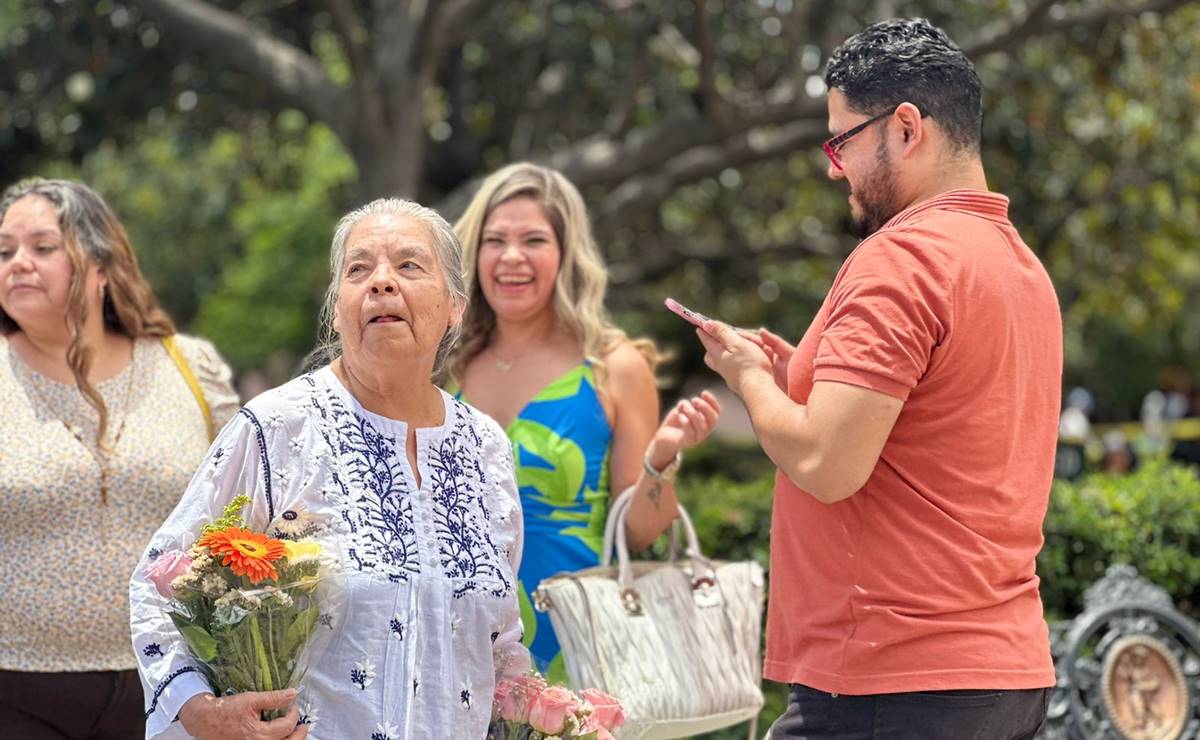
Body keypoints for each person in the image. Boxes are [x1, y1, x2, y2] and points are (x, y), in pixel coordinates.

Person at [694, 19, 1061, 740]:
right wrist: (803, 374)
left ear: (906, 128)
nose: (834, 168)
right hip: (1002, 674)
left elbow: (825, 462)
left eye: (842, 141)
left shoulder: (903, 258)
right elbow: (936, 424)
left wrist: (749, 378)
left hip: (891, 677)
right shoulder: (1019, 266)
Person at [130, 198, 530, 739]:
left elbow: (501, 643)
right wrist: (198, 709)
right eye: (358, 269)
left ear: (455, 306)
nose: (382, 282)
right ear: (337, 309)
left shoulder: (485, 446)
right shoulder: (278, 426)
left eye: (409, 265)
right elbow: (159, 581)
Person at [447, 162, 721, 676]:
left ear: (565, 254)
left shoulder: (614, 367)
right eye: (494, 240)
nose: (511, 257)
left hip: (574, 650)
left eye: (533, 240)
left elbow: (638, 534)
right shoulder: (443, 367)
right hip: (454, 648)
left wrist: (662, 459)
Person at [0, 178, 239, 740]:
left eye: (42, 247)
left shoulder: (189, 369)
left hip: (180, 689)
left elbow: (246, 508)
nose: (18, 263)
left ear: (102, 266)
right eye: (5, 251)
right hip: (14, 693)